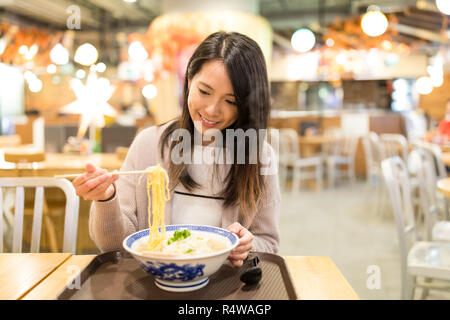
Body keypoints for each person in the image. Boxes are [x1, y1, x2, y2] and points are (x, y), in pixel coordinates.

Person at [72, 31, 281, 268]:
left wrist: (246, 246)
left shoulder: (260, 158)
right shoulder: (149, 144)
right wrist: (105, 198)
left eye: (230, 101)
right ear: (189, 80)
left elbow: (269, 242)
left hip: (222, 286)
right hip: (154, 283)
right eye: (204, 91)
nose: (212, 110)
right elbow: (113, 247)